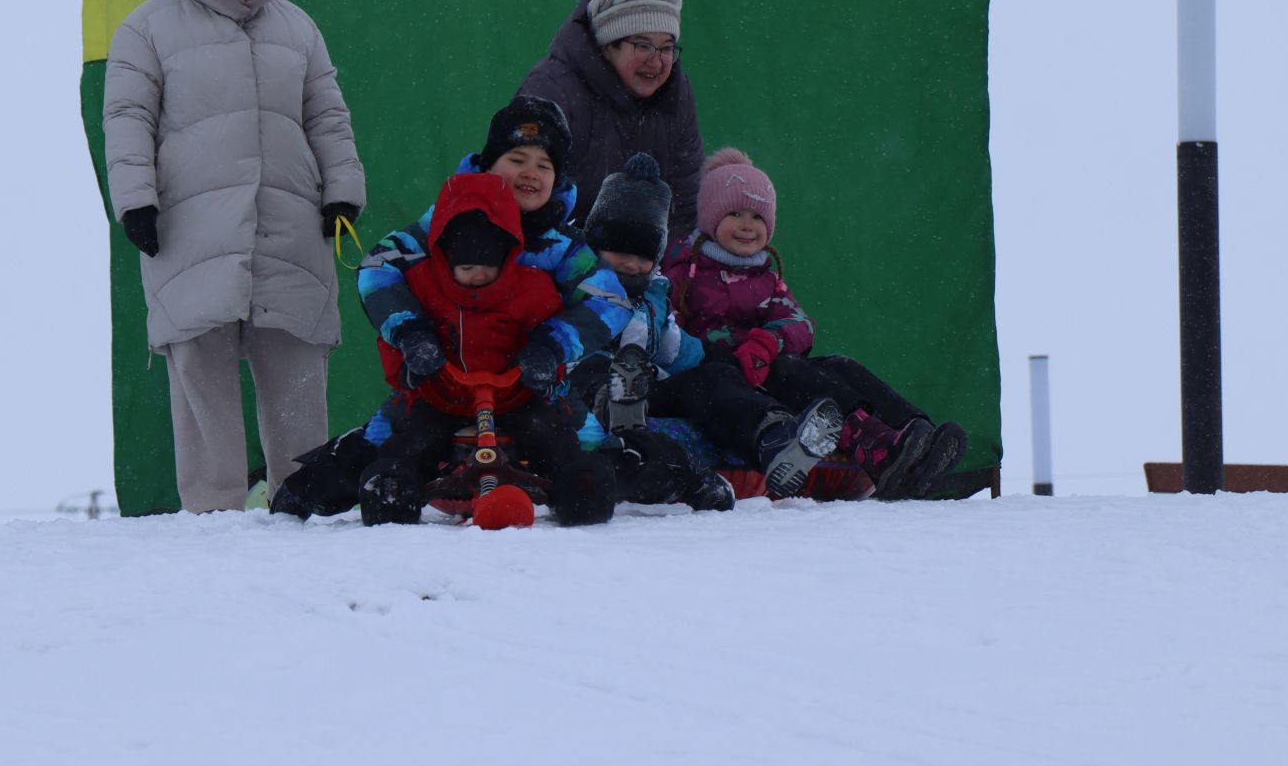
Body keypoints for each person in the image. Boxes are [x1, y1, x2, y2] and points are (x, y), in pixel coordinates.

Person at [103, 0, 365, 513]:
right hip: (190, 223)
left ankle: (304, 497)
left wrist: (342, 192)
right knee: (200, 366)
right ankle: (211, 509)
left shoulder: (298, 28)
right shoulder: (148, 26)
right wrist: (137, 200)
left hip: (290, 219)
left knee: (297, 361)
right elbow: (128, 117)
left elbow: (327, 116)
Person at [664, 147, 968, 499]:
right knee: (789, 370)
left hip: (765, 364)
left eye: (758, 217)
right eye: (735, 213)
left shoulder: (767, 275)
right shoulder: (686, 271)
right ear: (712, 217)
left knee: (838, 365)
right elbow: (670, 330)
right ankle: (874, 446)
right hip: (729, 376)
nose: (748, 226)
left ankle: (915, 434)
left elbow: (798, 323)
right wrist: (721, 356)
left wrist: (768, 343)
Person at [569, 152, 839, 504]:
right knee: (600, 373)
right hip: (597, 385)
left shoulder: (654, 294)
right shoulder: (578, 288)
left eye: (644, 254)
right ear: (597, 246)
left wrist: (720, 361)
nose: (633, 264)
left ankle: (776, 438)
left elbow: (674, 349)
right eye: (620, 251)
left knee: (709, 379)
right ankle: (667, 460)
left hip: (649, 387)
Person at [357, 172, 616, 527]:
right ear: (446, 261)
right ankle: (393, 486)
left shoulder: (532, 289)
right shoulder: (424, 287)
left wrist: (546, 356)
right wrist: (411, 354)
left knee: (549, 429)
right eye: (466, 268)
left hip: (515, 394)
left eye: (489, 268)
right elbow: (392, 335)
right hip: (444, 394)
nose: (478, 277)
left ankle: (580, 486)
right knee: (416, 435)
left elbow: (557, 327)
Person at [519, 0, 703, 232]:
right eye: (643, 45)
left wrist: (672, 263)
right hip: (561, 257)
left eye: (666, 48)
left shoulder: (675, 92)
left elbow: (686, 196)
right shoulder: (552, 90)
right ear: (608, 45)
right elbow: (524, 189)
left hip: (645, 262)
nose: (657, 62)